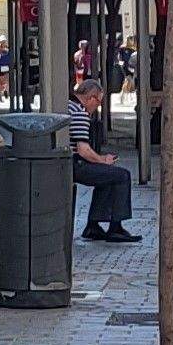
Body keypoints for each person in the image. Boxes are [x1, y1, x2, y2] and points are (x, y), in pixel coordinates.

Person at [67, 79, 141, 242]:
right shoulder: (80, 113)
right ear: (90, 98)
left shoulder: (68, 105)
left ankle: (93, 226)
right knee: (121, 175)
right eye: (98, 101)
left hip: (66, 162)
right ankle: (116, 227)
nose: (97, 106)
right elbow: (83, 150)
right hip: (74, 164)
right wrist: (102, 159)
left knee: (107, 176)